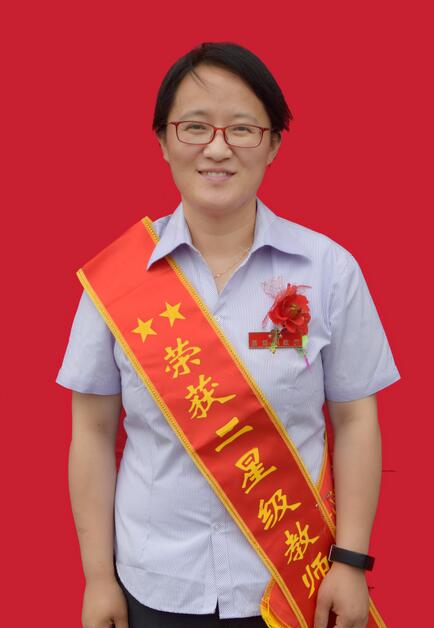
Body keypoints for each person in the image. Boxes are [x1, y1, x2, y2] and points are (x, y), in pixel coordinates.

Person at [56, 42, 401, 628]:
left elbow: (355, 420)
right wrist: (97, 579)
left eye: (242, 128)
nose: (217, 148)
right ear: (163, 141)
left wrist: (350, 561)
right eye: (194, 127)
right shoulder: (115, 281)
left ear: (273, 143)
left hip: (290, 583)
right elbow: (91, 432)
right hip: (154, 583)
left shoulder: (329, 269)